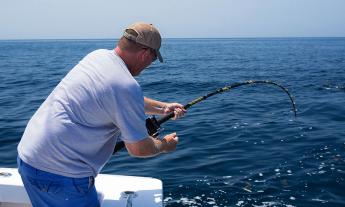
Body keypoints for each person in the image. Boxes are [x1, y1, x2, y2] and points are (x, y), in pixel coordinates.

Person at [17, 22, 186, 207]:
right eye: (153, 59)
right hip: (62, 175)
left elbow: (116, 97)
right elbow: (139, 149)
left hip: (29, 158)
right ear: (145, 54)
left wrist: (163, 108)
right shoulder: (125, 85)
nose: (149, 65)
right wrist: (165, 145)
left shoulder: (98, 57)